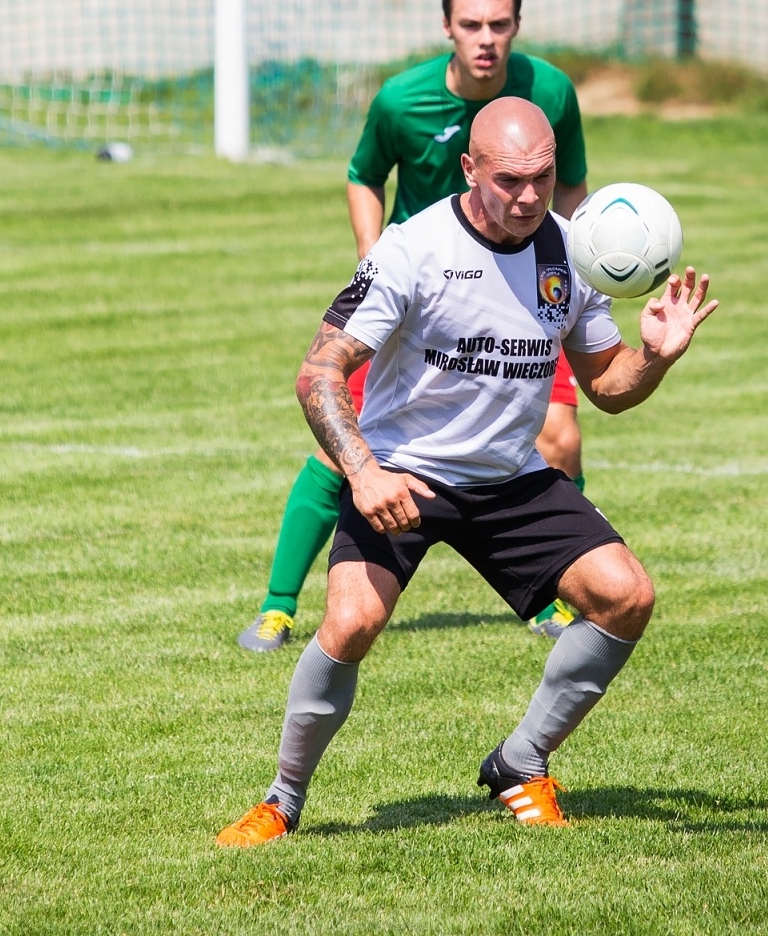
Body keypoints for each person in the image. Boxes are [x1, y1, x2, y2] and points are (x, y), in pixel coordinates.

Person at [217, 98, 717, 846]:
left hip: (511, 478)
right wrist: (364, 473)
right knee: (350, 623)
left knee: (626, 596)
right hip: (405, 475)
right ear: (469, 169)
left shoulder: (571, 255)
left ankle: (521, 762)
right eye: (509, 180)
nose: (527, 197)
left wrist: (655, 357)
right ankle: (282, 801)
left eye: (542, 179)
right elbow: (318, 374)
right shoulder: (408, 249)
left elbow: (607, 387)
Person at [238, 0, 591, 653]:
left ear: (517, 25)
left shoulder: (549, 92)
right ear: (447, 29)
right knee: (340, 443)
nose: (485, 39)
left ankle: (550, 593)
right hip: (420, 300)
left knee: (562, 438)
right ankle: (279, 607)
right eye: (471, 25)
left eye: (499, 25)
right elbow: (362, 176)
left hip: (527, 292)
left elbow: (571, 185)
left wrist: (572, 267)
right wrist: (373, 258)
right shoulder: (402, 100)